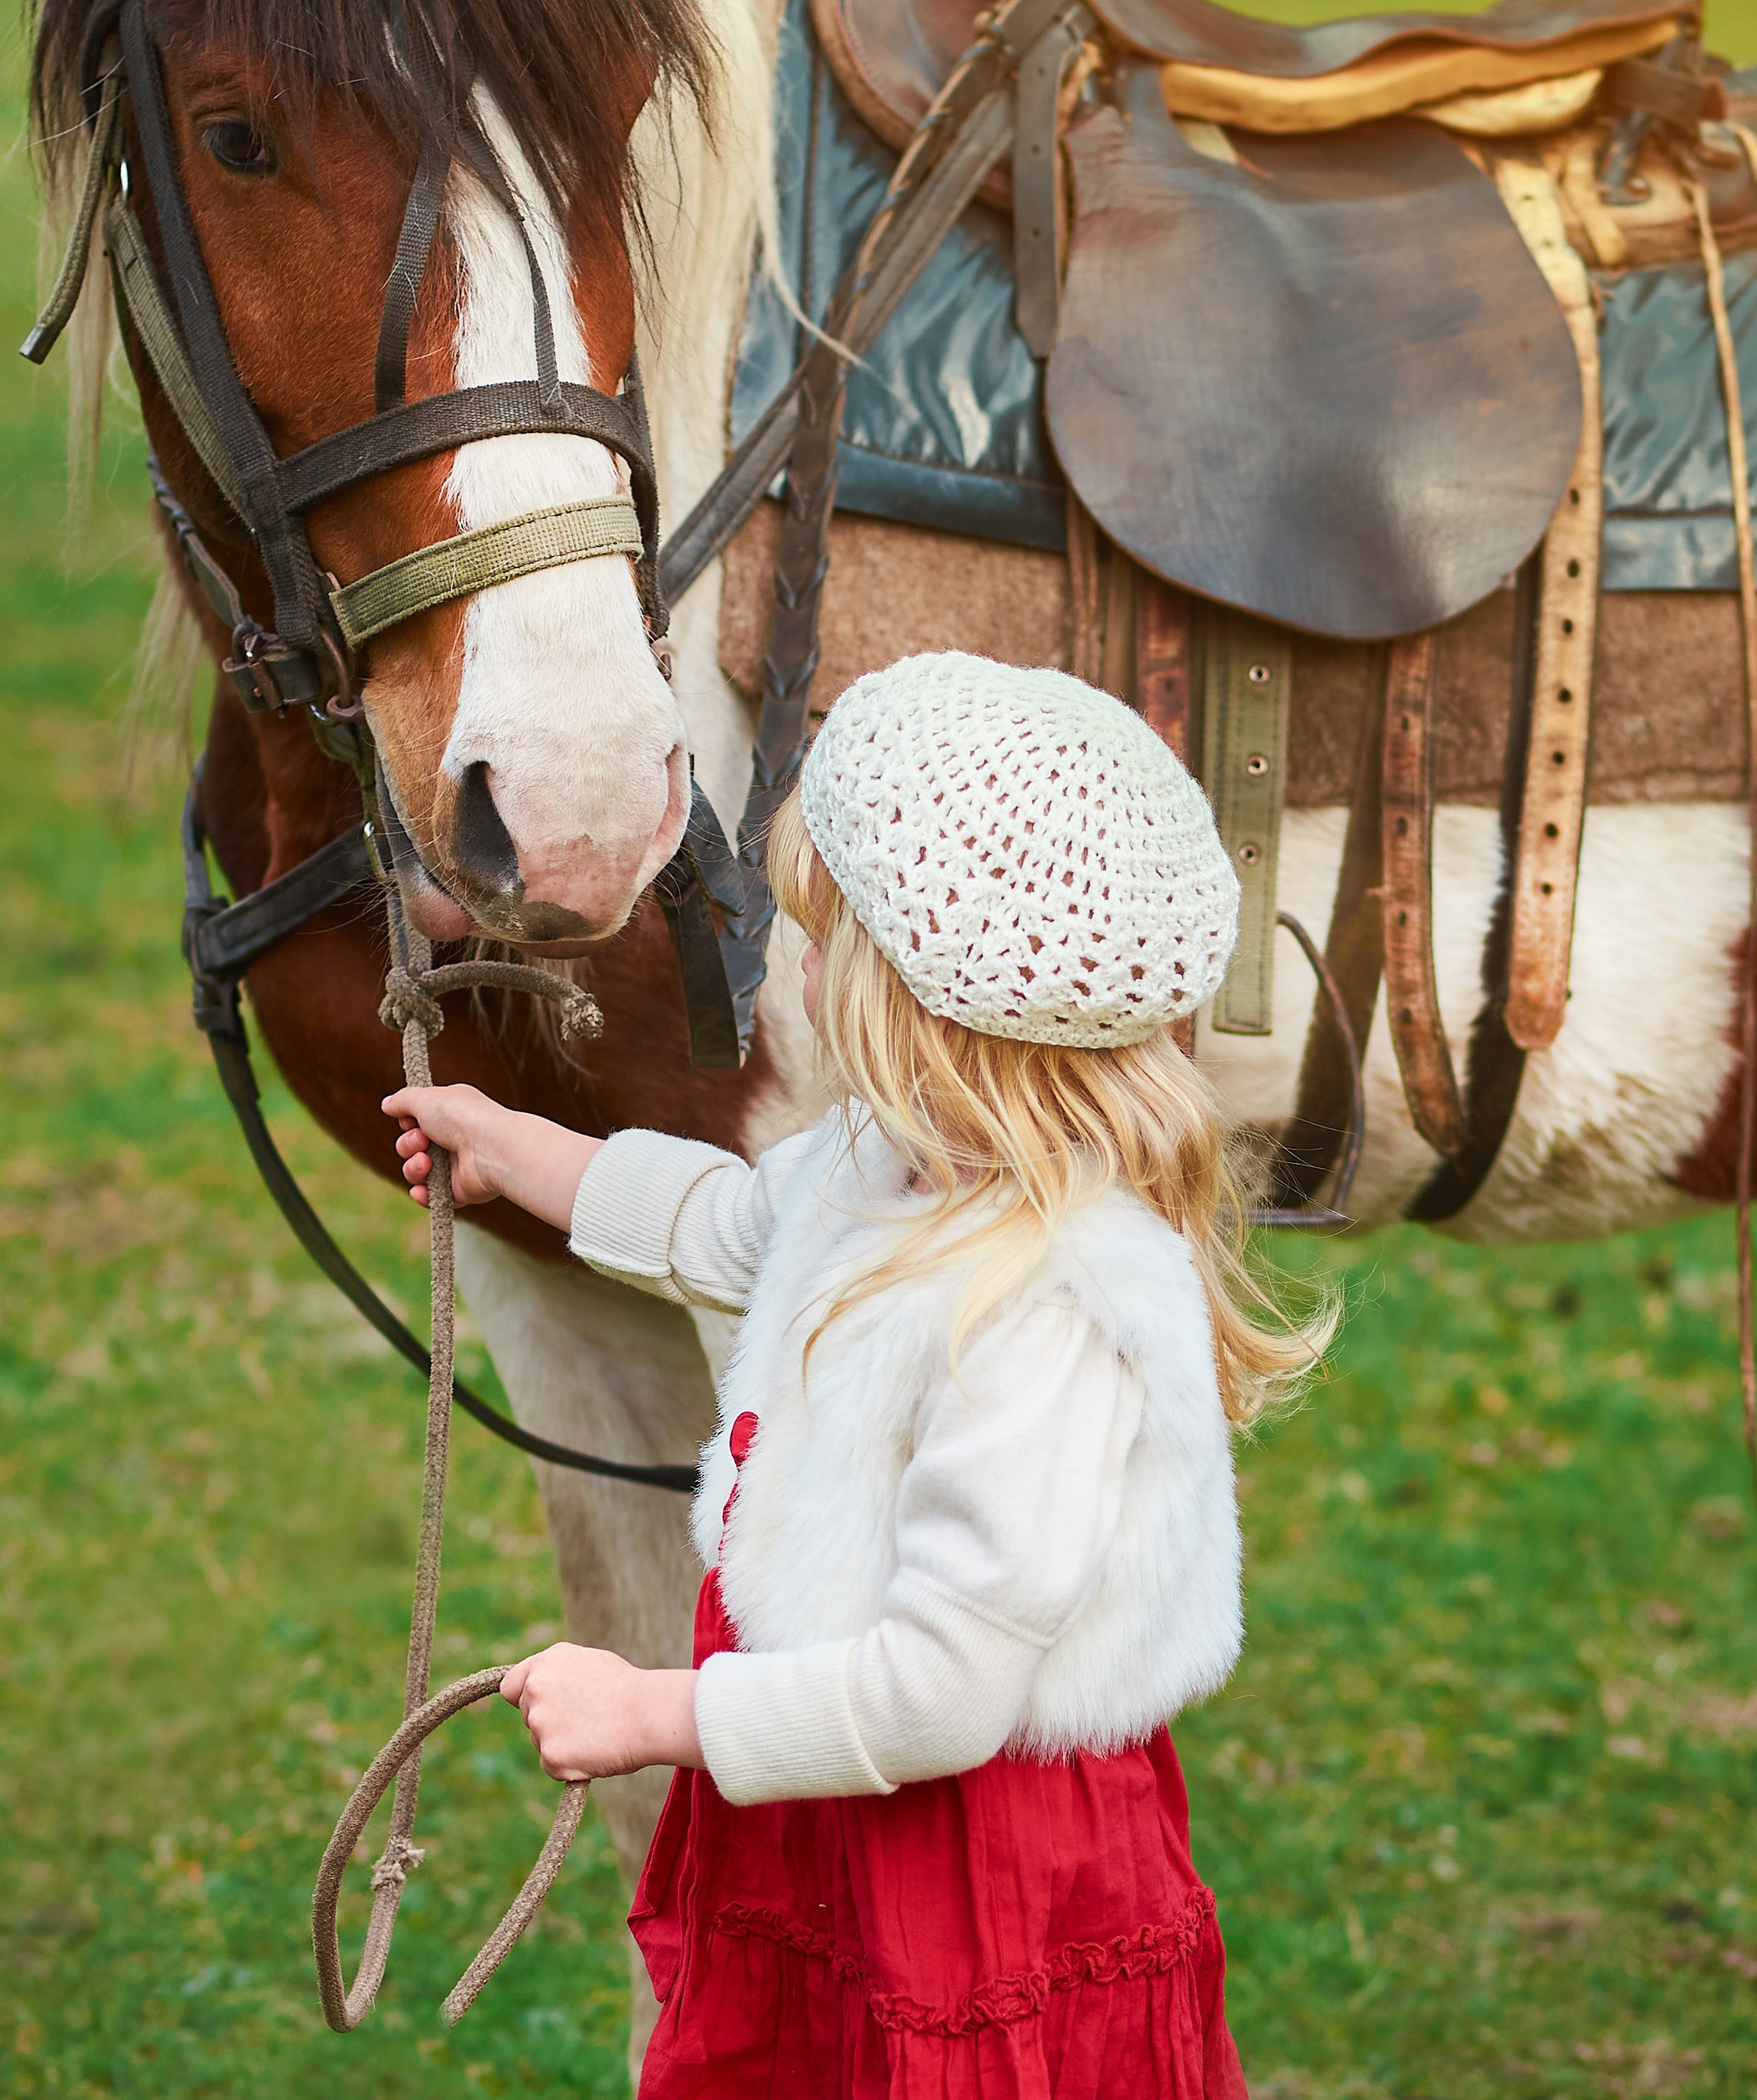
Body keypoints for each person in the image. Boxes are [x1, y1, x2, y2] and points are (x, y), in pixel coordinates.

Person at [388, 651, 1334, 2097]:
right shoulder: (887, 1164)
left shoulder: (1043, 1303)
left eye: (824, 935)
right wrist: (526, 1158)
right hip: (833, 1784)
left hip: (974, 1861)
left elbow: (942, 1696)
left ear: (914, 995)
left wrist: (658, 1716)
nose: (795, 967)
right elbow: (725, 1226)